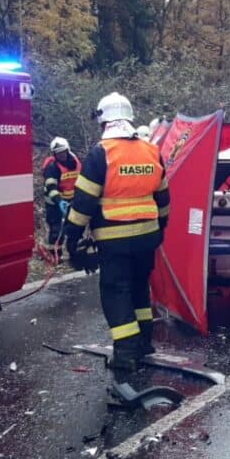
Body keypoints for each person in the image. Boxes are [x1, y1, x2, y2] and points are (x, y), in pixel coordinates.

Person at [65, 93, 170, 372]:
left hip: (114, 239)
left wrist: (71, 237)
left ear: (103, 120)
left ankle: (125, 355)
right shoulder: (151, 150)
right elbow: (164, 197)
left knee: (115, 292)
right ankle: (145, 343)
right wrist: (161, 229)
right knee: (139, 289)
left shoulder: (102, 153)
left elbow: (84, 202)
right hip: (147, 236)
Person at [42, 137, 80, 260]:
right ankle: (55, 256)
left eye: (62, 152)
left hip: (72, 201)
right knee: (57, 230)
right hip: (55, 203)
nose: (61, 155)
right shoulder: (52, 167)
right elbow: (51, 187)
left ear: (67, 150)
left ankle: (74, 253)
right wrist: (59, 201)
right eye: (58, 153)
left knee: (73, 228)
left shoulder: (75, 162)